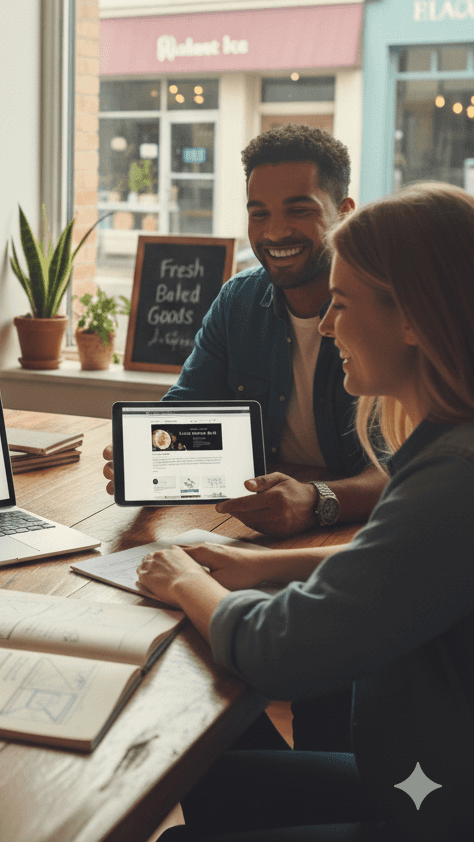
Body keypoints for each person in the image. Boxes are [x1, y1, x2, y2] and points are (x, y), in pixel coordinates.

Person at [140, 183, 473, 842]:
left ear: (412, 319)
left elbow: (278, 650)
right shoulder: (451, 450)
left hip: (438, 814)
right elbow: (397, 563)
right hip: (422, 780)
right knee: (201, 772)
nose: (325, 325)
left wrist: (184, 582)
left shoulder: (454, 477)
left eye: (341, 304)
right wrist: (255, 565)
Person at [103, 124, 388, 539]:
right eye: (259, 214)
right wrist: (151, 454)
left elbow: (405, 466)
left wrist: (315, 501)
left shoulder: (382, 308)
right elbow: (188, 406)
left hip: (357, 532)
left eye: (298, 210)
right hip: (254, 526)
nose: (274, 232)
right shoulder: (238, 300)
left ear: (344, 212)